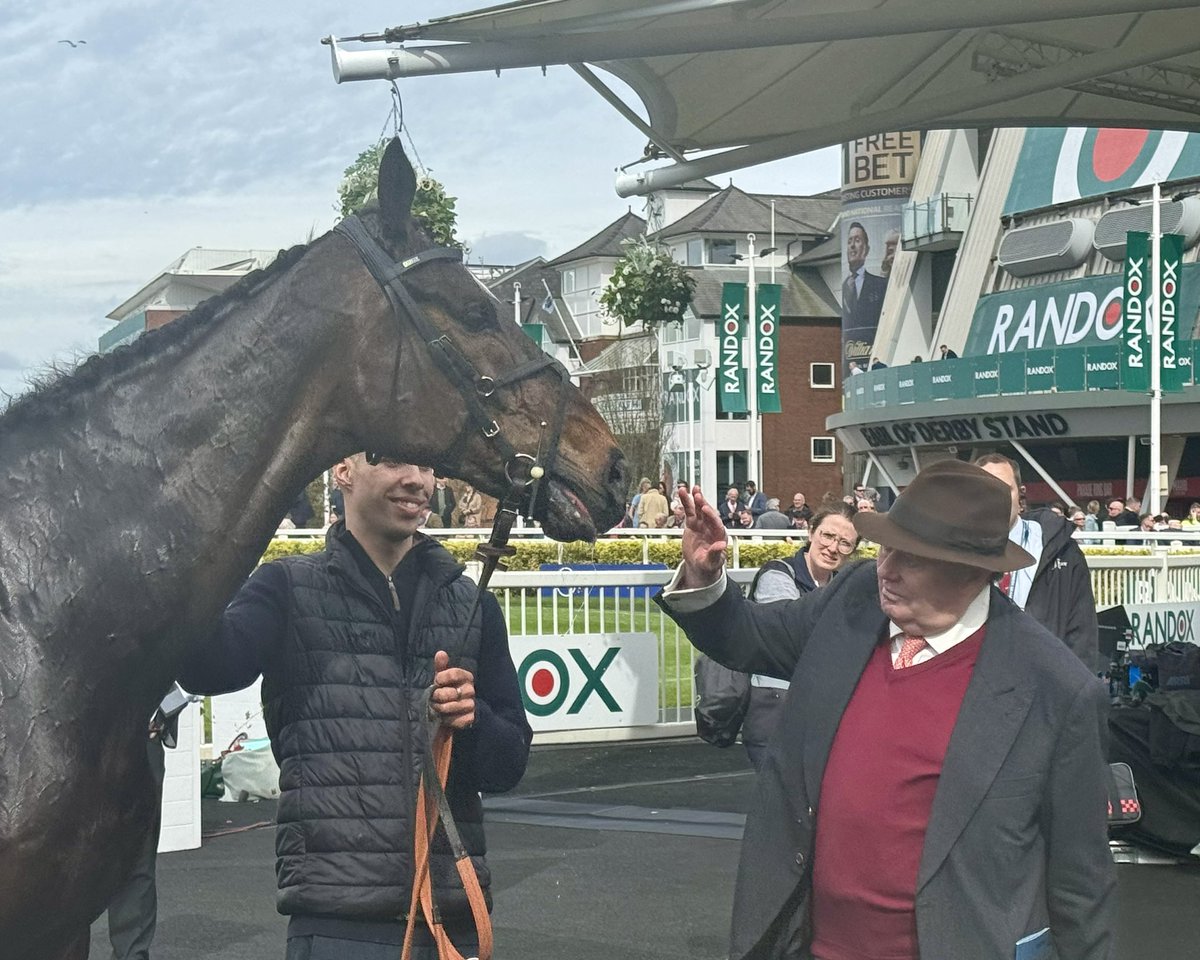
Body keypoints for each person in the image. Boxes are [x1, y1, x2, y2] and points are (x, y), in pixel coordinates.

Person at [656, 460, 1115, 960]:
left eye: (912, 558)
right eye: (886, 546)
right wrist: (705, 574)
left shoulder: (1055, 690)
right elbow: (750, 636)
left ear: (975, 572)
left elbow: (1080, 885)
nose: (886, 568)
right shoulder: (853, 600)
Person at [180, 456, 532, 958]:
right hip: (335, 922)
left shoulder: (470, 604)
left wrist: (472, 722)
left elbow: (508, 765)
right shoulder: (285, 587)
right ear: (342, 470)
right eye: (391, 459)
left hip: (451, 921)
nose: (417, 479)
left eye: (429, 465)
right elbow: (206, 669)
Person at [740, 505, 858, 768]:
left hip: (820, 716)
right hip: (775, 710)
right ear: (810, 532)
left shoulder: (843, 587)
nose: (833, 547)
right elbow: (792, 636)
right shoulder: (778, 575)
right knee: (781, 803)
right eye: (827, 536)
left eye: (845, 543)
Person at [975, 453, 1100, 672]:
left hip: (1046, 684)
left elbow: (1082, 632)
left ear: (1020, 493)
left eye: (1004, 489)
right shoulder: (954, 553)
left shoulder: (1061, 549)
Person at [841, 221, 887, 331]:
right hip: (851, 345)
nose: (852, 245)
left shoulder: (880, 284)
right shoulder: (843, 287)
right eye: (849, 241)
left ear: (866, 249)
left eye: (857, 241)